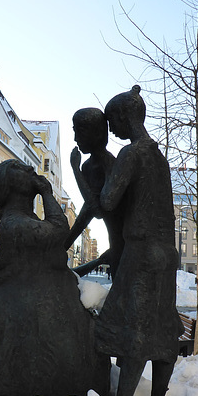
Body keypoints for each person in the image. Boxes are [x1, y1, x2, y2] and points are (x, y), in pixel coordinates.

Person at [0, 159, 110, 396]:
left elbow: (53, 261)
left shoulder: (26, 218)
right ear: (8, 185)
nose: (30, 169)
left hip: (38, 307)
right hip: (23, 313)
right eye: (20, 169)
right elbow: (58, 231)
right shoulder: (14, 223)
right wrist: (46, 191)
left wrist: (92, 263)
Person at [95, 85, 184, 396]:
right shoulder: (159, 157)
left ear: (122, 116)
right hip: (167, 253)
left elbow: (108, 199)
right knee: (161, 325)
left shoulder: (132, 154)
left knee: (133, 327)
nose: (111, 129)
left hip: (141, 251)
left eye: (112, 121)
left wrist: (98, 176)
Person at [64, 107, 124, 279]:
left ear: (97, 133)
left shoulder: (109, 164)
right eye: (75, 132)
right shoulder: (88, 166)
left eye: (80, 132)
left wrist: (75, 171)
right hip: (116, 242)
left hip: (124, 241)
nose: (76, 139)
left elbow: (97, 210)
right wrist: (63, 245)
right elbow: (86, 212)